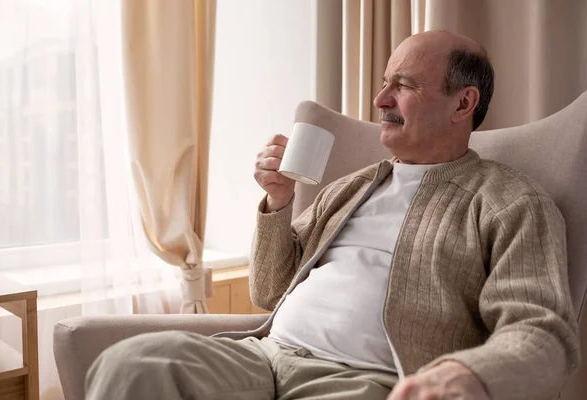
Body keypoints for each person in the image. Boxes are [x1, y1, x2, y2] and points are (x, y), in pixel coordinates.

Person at [86, 30, 579, 400]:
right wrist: (278, 200)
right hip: (262, 357)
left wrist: (471, 374)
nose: (380, 100)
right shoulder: (352, 188)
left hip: (365, 381)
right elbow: (269, 289)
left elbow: (540, 331)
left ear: (463, 103)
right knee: (132, 364)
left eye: (402, 86)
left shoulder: (509, 202)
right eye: (385, 83)